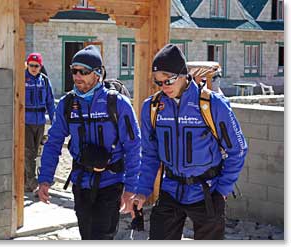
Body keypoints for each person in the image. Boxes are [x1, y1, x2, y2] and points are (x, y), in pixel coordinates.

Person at [133, 44, 248, 240]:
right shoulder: (151, 107)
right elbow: (150, 154)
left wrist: (222, 191)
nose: (163, 87)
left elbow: (238, 149)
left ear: (183, 74)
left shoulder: (212, 105)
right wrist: (142, 190)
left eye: (167, 81)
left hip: (207, 192)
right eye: (158, 82)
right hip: (170, 190)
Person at [37, 45, 141, 240]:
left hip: (111, 183)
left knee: (101, 237)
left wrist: (131, 189)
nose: (77, 76)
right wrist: (45, 178)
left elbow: (134, 147)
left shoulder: (117, 104)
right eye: (74, 70)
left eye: (83, 71)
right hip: (81, 183)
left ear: (97, 73)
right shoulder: (68, 104)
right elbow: (53, 142)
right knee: (87, 236)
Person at [24, 53, 55, 193]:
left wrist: (54, 121)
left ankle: (28, 181)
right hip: (25, 122)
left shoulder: (45, 81)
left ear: (40, 66)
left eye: (36, 66)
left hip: (40, 122)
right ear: (27, 64)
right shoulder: (21, 79)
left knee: (36, 152)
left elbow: (50, 102)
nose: (33, 68)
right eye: (31, 65)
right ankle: (32, 182)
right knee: (28, 152)